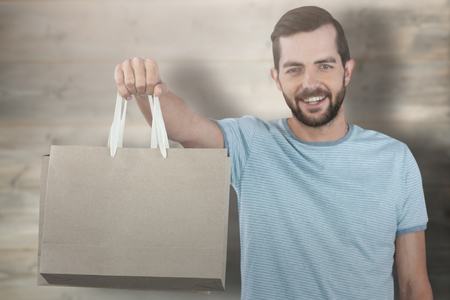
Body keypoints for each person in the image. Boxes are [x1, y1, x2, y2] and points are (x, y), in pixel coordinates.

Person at [114, 6, 433, 300]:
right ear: (276, 79)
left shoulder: (395, 160)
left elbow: (412, 285)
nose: (311, 83)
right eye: (294, 69)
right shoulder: (251, 143)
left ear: (346, 72)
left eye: (324, 65)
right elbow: (183, 127)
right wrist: (148, 90)